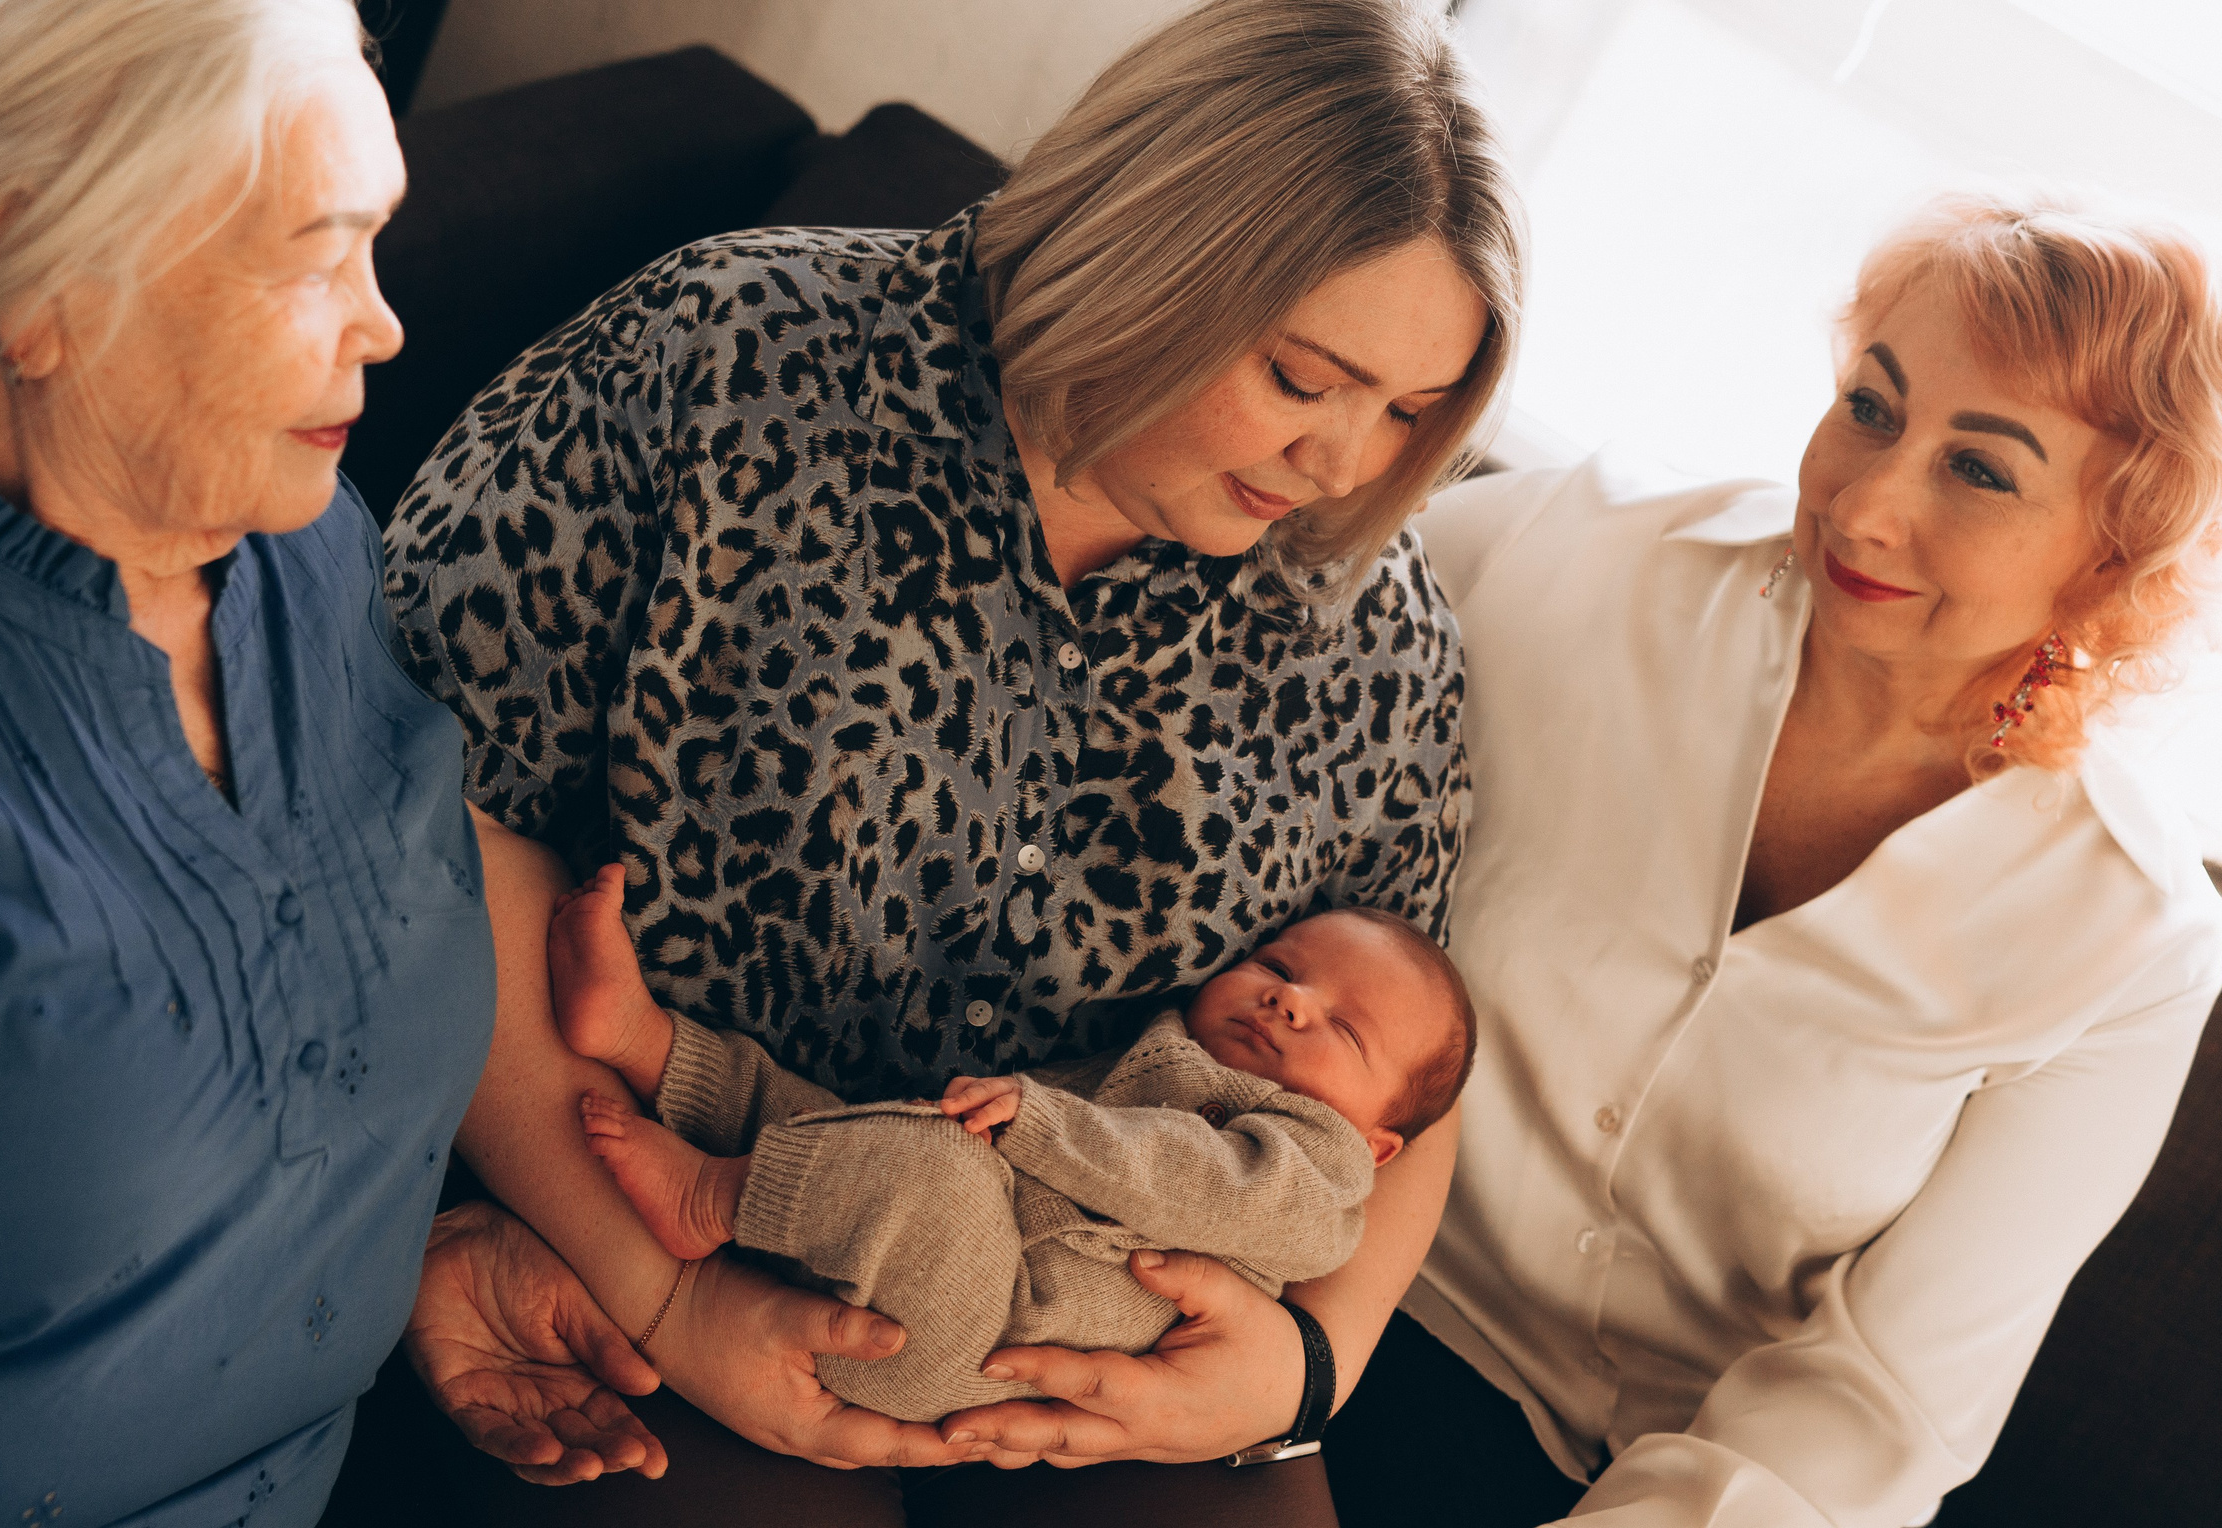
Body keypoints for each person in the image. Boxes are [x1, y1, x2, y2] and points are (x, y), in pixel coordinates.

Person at [359, 0, 1523, 1520]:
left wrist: (1311, 1366)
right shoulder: (741, 365)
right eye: (1305, 379)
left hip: (1103, 1323)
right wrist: (660, 1294)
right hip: (659, 1198)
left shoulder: (1372, 624)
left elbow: (1412, 1063)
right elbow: (421, 812)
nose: (1344, 466)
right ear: (1151, 242)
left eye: (1411, 413)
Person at [0, 2, 532, 1523]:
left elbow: (310, 1043)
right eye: (313, 248)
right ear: (41, 279)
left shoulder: (301, 536)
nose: (383, 322)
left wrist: (419, 1256)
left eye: (377, 236)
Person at [1304, 196, 2222, 1527]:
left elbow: (1880, 1406)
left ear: (2116, 551)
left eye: (1980, 469)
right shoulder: (1570, 552)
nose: (1865, 507)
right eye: (1870, 406)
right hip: (1274, 1279)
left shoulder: (2125, 941)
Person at [556, 868, 1475, 1423]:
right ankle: (645, 1042)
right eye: (1278, 966)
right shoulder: (1162, 1061)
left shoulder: (1315, 1176)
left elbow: (1189, 1178)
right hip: (944, 1263)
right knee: (850, 1122)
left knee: (928, 1163)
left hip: (976, 1344)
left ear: (1379, 1145)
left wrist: (1038, 1121)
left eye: (1344, 1033)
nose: (1290, 1002)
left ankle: (708, 1202)